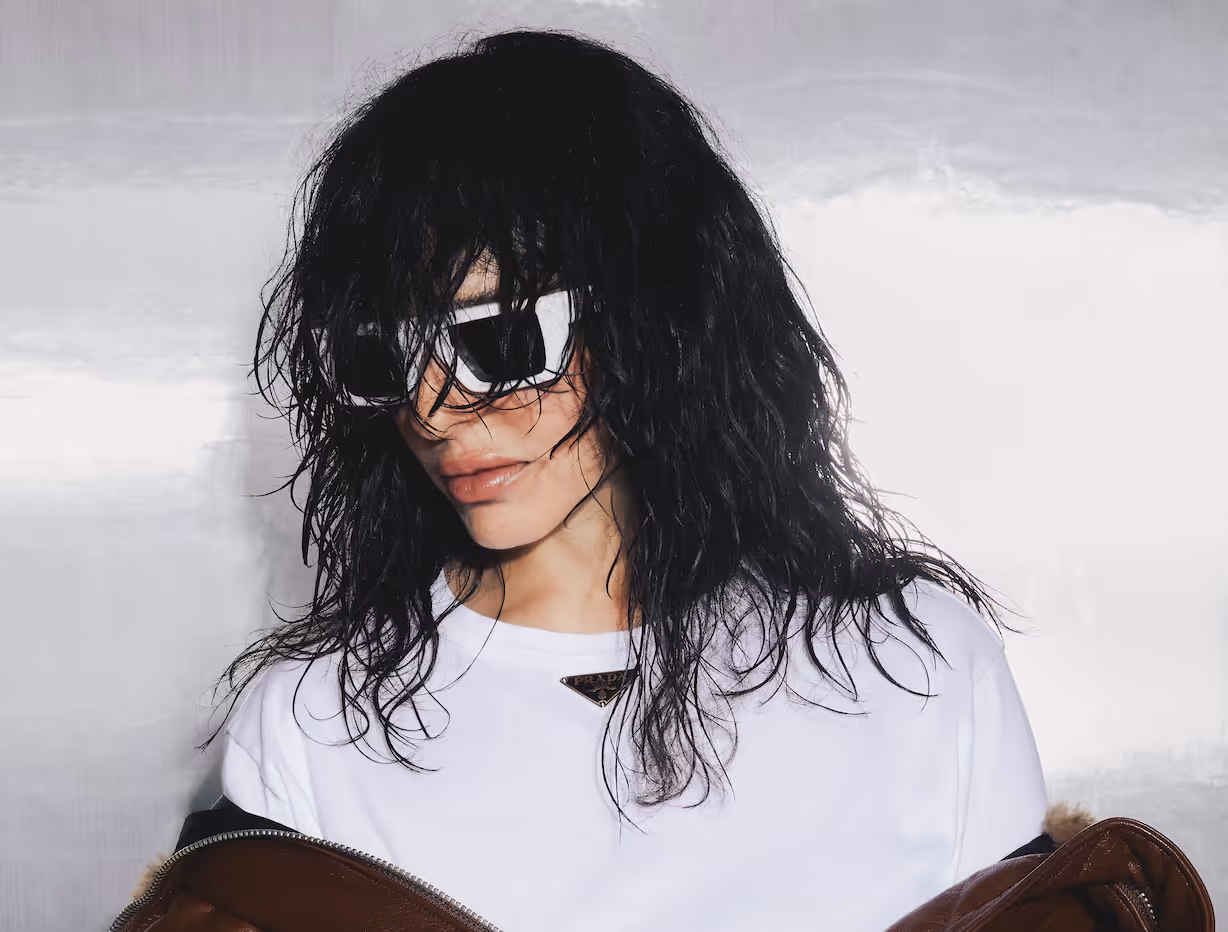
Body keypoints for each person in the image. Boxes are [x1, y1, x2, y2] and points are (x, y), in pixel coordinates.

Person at [205, 28, 1047, 932]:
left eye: (501, 339)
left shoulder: (915, 668)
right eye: (380, 357)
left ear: (656, 320)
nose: (433, 410)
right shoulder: (312, 724)